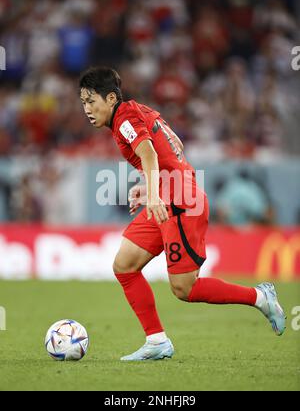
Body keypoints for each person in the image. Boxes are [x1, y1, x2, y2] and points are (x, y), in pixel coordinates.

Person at [79, 66, 286, 361]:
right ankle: (156, 341)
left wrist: (153, 191)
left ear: (111, 98)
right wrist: (148, 184)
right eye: (83, 102)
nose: (86, 109)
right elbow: (175, 145)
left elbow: (149, 153)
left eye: (91, 101)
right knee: (124, 266)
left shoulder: (125, 118)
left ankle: (260, 298)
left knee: (184, 289)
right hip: (167, 198)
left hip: (181, 204)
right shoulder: (140, 111)